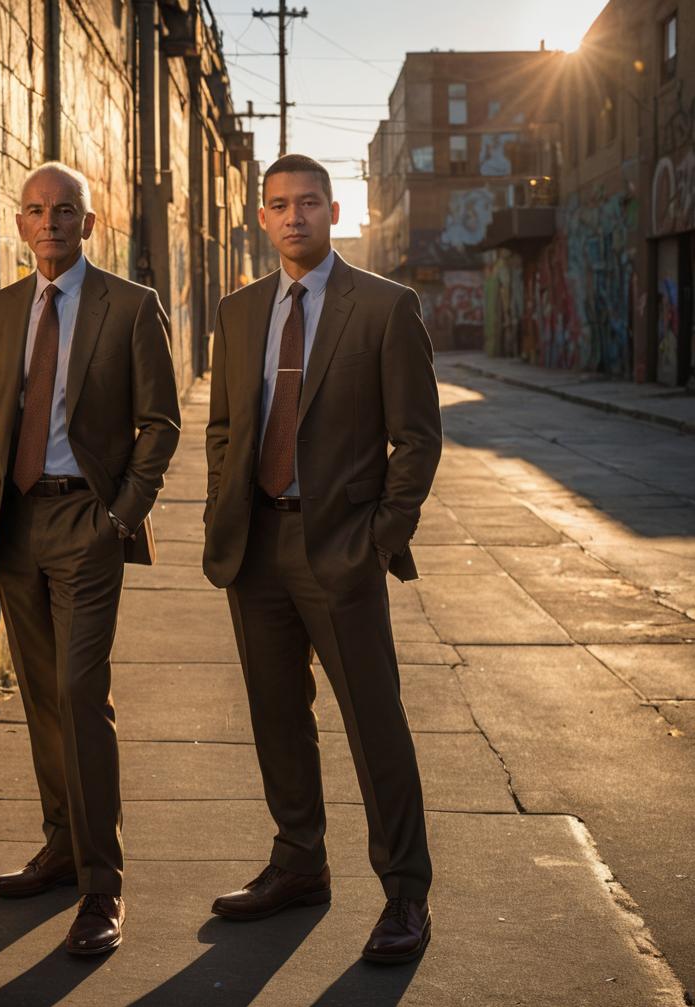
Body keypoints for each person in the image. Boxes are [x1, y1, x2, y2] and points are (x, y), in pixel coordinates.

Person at [202, 154, 442, 964]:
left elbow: (417, 439)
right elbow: (226, 430)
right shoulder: (237, 313)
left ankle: (406, 894)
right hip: (258, 545)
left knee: (374, 722)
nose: (294, 216)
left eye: (309, 203)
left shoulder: (384, 307)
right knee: (276, 716)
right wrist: (222, 514)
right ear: (260, 218)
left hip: (341, 549)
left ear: (333, 212)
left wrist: (377, 540)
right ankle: (299, 863)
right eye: (279, 205)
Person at [0, 161, 180, 956]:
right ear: (20, 224)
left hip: (88, 523)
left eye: (64, 211)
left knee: (82, 695)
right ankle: (61, 847)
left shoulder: (129, 306)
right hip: (15, 526)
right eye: (35, 210)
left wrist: (120, 516)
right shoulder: (3, 307)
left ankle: (101, 887)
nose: (48, 223)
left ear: (90, 223)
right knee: (44, 699)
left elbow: (161, 423)